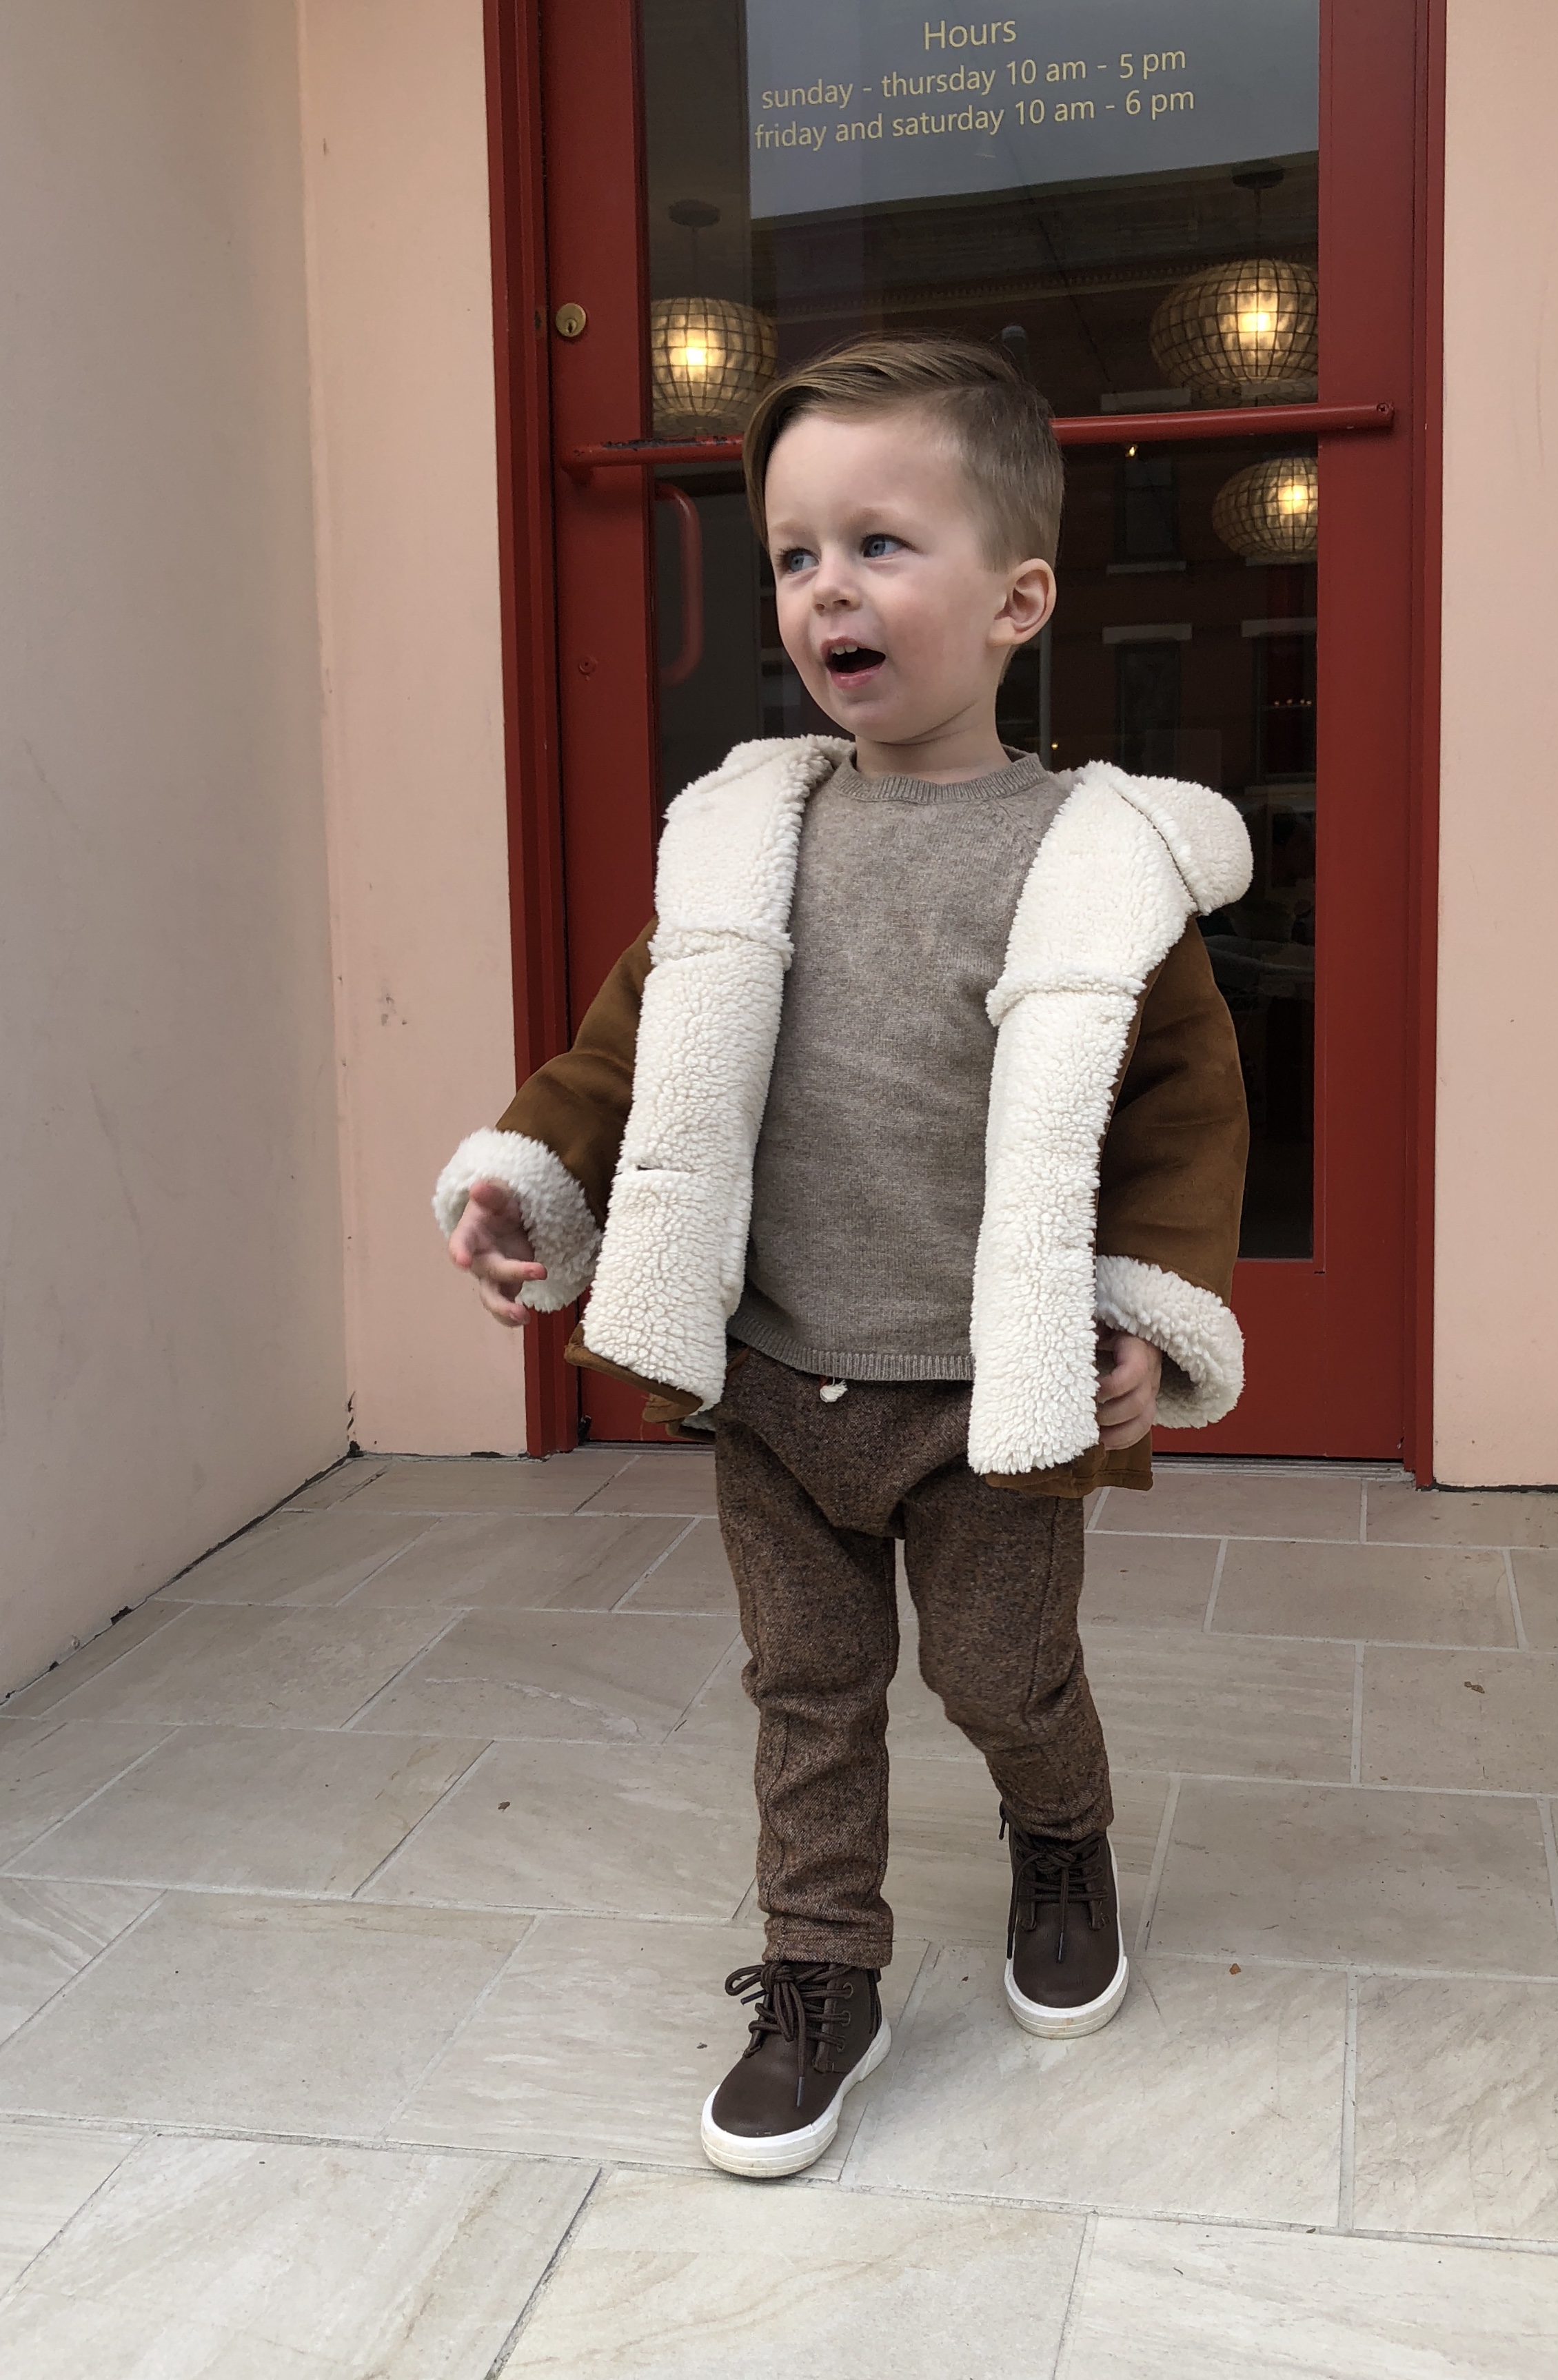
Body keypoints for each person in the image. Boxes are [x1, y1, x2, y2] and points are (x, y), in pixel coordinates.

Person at [434, 334, 1249, 2179]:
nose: (827, 591)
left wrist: (1139, 1309)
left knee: (995, 1678)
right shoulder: (744, 842)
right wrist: (528, 1179)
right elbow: (618, 1057)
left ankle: (1059, 1836)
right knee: (806, 1690)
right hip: (778, 1383)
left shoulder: (1096, 862)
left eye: (880, 543)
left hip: (980, 1402)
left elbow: (1185, 1120)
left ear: (1016, 595)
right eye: (795, 556)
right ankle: (822, 1970)